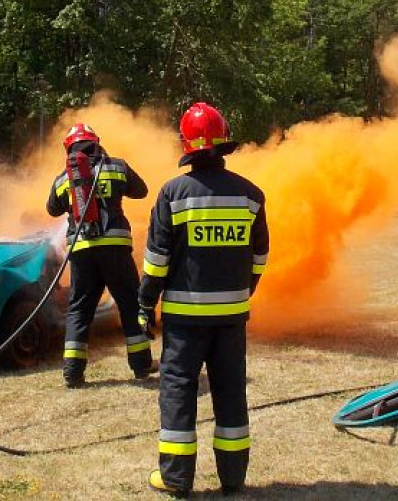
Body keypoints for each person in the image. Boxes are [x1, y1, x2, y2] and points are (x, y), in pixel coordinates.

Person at [140, 103, 270, 498]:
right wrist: (241, 291)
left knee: (178, 390)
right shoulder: (251, 195)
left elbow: (157, 261)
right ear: (223, 143)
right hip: (231, 317)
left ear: (187, 146)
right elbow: (260, 256)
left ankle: (176, 477)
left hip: (184, 319)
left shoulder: (173, 194)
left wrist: (145, 304)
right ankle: (233, 478)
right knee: (230, 391)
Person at [45, 123, 153, 388]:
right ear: (96, 142)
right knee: (130, 304)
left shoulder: (63, 179)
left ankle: (73, 373)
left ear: (69, 148)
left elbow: (52, 210)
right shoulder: (117, 167)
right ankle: (141, 365)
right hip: (115, 248)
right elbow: (141, 191)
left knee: (79, 310)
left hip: (82, 251)